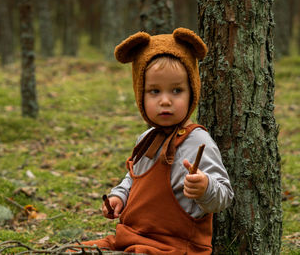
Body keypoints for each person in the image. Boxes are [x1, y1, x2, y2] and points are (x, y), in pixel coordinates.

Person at [81, 28, 234, 255]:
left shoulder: (197, 141)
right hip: (132, 236)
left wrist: (205, 187)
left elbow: (224, 195)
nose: (165, 101)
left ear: (192, 92)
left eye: (176, 90)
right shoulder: (146, 138)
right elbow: (134, 179)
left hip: (175, 246)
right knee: (79, 249)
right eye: (154, 91)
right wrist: (119, 196)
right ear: (140, 94)